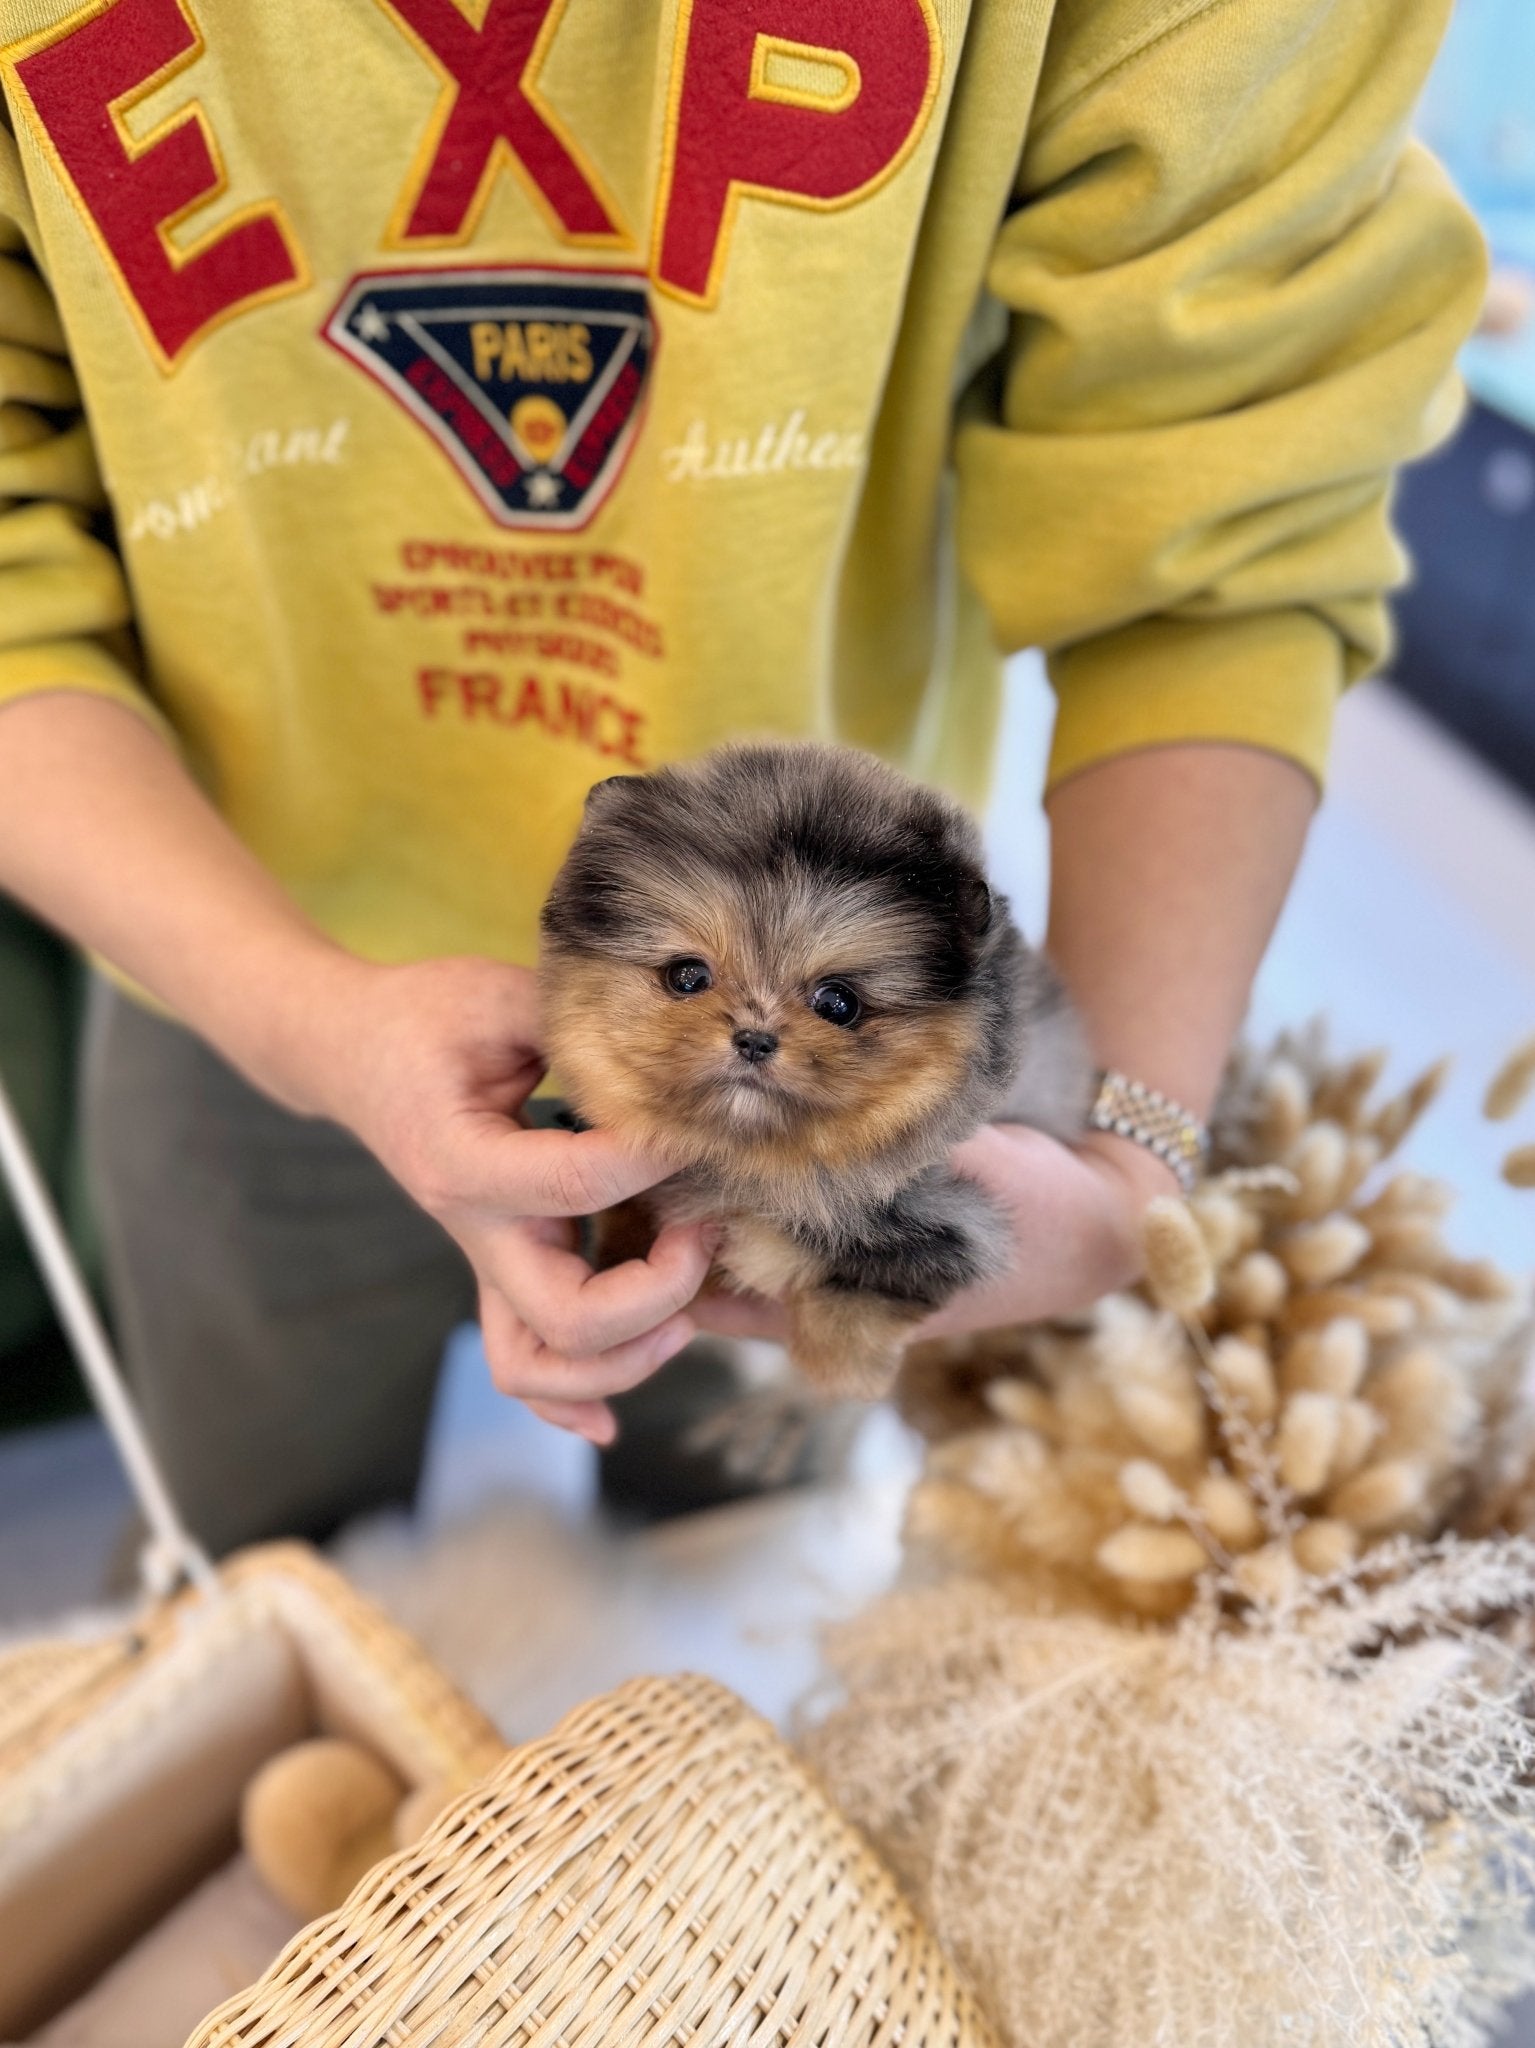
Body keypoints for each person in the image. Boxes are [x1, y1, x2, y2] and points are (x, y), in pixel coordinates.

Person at [0, 0, 1485, 1554]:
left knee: (738, 1536)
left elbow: (1228, 506)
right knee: (258, 1546)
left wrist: (1131, 1164)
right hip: (214, 951)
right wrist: (289, 1006)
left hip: (845, 1104)